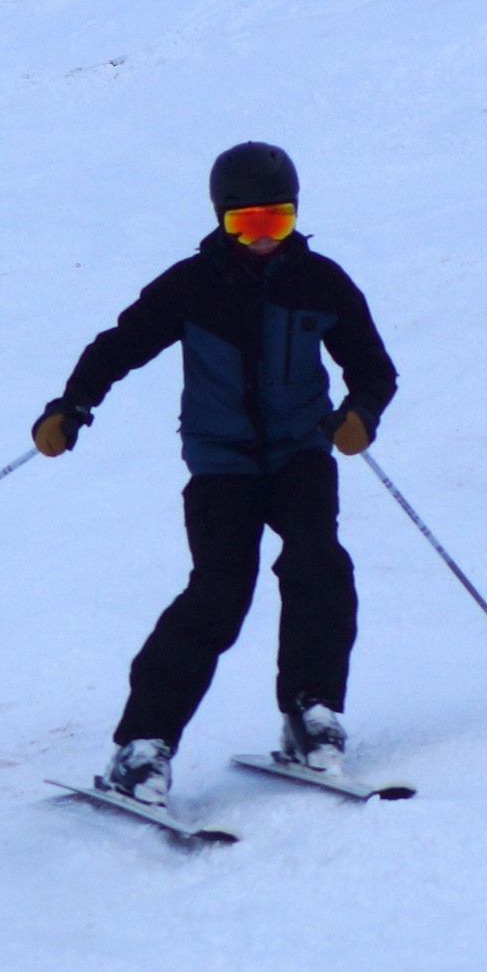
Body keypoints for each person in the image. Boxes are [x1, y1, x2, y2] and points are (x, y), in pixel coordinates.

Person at [33, 142, 398, 808]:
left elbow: (374, 369)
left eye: (277, 221)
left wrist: (360, 415)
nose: (262, 238)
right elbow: (118, 346)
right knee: (219, 592)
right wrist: (71, 406)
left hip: (301, 454)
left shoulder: (321, 282)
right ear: (222, 220)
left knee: (319, 563)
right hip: (222, 465)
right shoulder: (192, 285)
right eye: (245, 223)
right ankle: (142, 749)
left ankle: (311, 714)